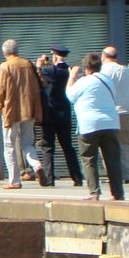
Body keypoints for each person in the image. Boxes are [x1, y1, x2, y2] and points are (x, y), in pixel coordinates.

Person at [66, 53, 125, 201]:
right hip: (110, 123)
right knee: (113, 159)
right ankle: (118, 193)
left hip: (89, 125)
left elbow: (70, 95)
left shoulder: (84, 81)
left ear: (87, 68)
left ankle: (94, 192)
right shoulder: (108, 80)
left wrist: (72, 77)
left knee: (88, 158)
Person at [0, 39, 45, 189]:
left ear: (5, 52)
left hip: (12, 111)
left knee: (9, 145)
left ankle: (14, 180)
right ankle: (37, 165)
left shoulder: (5, 66)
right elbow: (38, 85)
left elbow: (0, 89)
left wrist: (0, 105)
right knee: (27, 143)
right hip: (29, 109)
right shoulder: (28, 64)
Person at [37, 46, 83, 187]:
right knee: (67, 146)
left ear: (55, 56)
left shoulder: (50, 71)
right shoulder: (69, 71)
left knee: (48, 146)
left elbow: (38, 75)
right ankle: (77, 177)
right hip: (65, 114)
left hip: (50, 113)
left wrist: (39, 65)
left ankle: (50, 178)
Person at [99, 47, 129, 183]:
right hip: (127, 111)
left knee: (108, 146)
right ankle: (126, 174)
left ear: (103, 57)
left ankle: (113, 175)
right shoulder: (125, 70)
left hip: (111, 112)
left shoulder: (103, 71)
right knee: (125, 145)